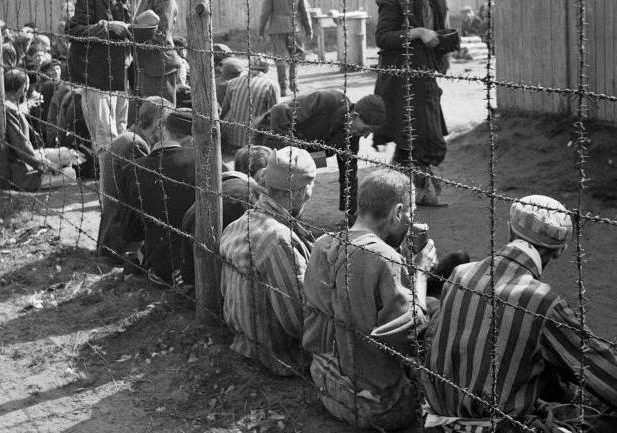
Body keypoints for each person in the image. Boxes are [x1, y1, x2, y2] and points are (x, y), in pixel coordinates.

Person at [423, 195, 617, 433]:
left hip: (437, 422)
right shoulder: (543, 302)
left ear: (508, 229)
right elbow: (607, 375)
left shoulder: (460, 274)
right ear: (560, 251)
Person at [303, 168, 438, 431]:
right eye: (410, 212)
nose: (410, 220)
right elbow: (412, 332)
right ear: (398, 212)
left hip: (324, 381)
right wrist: (420, 273)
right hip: (377, 407)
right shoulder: (384, 259)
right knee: (436, 313)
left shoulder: (322, 243)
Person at [220, 146, 316, 376]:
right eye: (311, 186)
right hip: (279, 356)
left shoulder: (240, 223)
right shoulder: (278, 239)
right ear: (300, 191)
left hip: (245, 341)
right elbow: (297, 321)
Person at [374, 0, 452, 207]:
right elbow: (383, 37)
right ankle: (407, 192)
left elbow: (438, 22)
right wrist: (417, 33)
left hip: (425, 71)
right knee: (415, 135)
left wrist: (444, 45)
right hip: (400, 75)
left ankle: (406, 192)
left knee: (420, 135)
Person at [253, 89, 387, 223]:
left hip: (299, 149)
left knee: (301, 180)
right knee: (267, 185)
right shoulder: (329, 101)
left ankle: (288, 218)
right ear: (354, 116)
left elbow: (349, 174)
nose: (365, 136)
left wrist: (352, 213)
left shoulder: (351, 137)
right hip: (271, 133)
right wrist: (291, 153)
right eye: (366, 129)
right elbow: (280, 111)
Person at [67, 0, 132, 157]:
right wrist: (107, 27)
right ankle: (108, 177)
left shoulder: (122, 0)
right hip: (97, 76)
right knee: (105, 132)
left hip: (120, 75)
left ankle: (118, 175)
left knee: (120, 129)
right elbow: (74, 31)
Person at [180, 144, 273, 286]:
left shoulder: (222, 186)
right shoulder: (249, 196)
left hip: (192, 272)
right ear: (262, 174)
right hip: (217, 282)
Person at [122, 108, 196, 283]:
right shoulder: (203, 163)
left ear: (165, 129)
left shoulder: (133, 169)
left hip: (157, 261)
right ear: (191, 138)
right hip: (195, 263)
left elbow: (132, 228)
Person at [97, 96, 173, 260]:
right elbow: (141, 194)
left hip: (114, 228)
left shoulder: (128, 137)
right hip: (122, 238)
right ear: (159, 124)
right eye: (168, 127)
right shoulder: (135, 144)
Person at [1, 69, 80, 191]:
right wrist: (48, 166)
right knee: (70, 173)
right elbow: (23, 149)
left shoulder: (5, 104)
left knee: (66, 153)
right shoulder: (10, 110)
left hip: (23, 159)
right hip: (20, 172)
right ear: (22, 89)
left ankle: (56, 167)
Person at [129, 0, 181, 105]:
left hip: (159, 67)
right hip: (141, 65)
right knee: (145, 115)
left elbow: (161, 36)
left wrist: (132, 42)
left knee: (161, 114)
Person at [259, 0, 313, 97]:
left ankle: (283, 87)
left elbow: (265, 12)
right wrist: (308, 29)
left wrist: (261, 29)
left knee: (280, 57)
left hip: (277, 28)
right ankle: (294, 84)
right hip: (294, 27)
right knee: (294, 56)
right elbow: (304, 10)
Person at [220, 54, 278, 150]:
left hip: (231, 140)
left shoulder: (233, 82)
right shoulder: (271, 85)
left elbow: (224, 110)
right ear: (266, 68)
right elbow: (275, 114)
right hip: (253, 143)